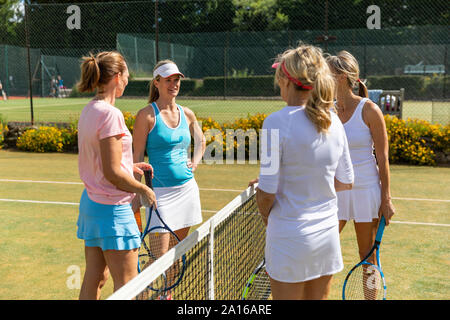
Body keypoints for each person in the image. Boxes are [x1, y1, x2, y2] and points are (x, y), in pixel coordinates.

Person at [254, 44, 354, 300]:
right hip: (326, 239)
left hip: (289, 239)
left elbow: (266, 193)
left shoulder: (274, 122)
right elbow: (346, 182)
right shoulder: (334, 121)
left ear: (286, 81)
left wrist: (267, 214)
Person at [76, 51, 157, 300]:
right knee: (128, 286)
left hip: (92, 206)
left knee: (95, 278)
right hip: (113, 211)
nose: (128, 81)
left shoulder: (89, 110)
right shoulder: (111, 115)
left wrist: (129, 169)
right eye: (127, 77)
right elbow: (111, 172)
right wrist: (142, 189)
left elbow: (102, 162)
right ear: (117, 77)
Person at [132, 60, 206, 297]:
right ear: (157, 82)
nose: (174, 84)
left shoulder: (187, 113)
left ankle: (166, 295)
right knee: (157, 259)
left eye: (177, 80)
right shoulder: (146, 115)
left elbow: (201, 140)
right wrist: (136, 194)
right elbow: (136, 159)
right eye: (168, 80)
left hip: (187, 192)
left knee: (176, 254)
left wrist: (194, 161)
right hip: (159, 196)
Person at [326, 51, 395, 281]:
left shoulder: (370, 110)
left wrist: (386, 199)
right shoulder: (328, 111)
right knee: (320, 249)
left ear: (342, 78)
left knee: (367, 258)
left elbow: (383, 159)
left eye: (328, 74)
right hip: (337, 191)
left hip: (367, 190)